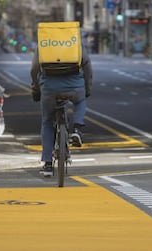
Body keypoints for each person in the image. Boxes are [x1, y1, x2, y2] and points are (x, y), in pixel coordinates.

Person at [30, 41, 92, 177]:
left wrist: (35, 89)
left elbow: (34, 69)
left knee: (47, 121)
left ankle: (47, 164)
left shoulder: (43, 45)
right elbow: (87, 67)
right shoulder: (76, 43)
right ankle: (77, 129)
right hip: (75, 87)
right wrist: (87, 88)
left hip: (49, 88)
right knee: (80, 101)